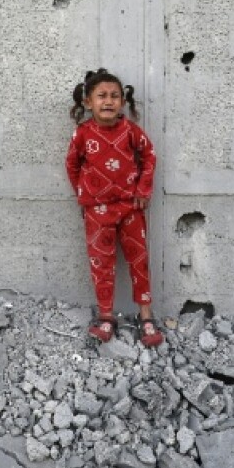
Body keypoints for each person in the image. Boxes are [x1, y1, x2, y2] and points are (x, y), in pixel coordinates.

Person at [65, 68, 164, 348]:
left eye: (114, 96)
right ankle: (106, 316)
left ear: (122, 102)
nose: (108, 101)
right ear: (88, 102)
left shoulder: (131, 131)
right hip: (97, 212)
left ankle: (146, 316)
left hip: (130, 209)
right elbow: (72, 165)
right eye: (101, 96)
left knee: (139, 261)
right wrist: (83, 195)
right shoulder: (82, 135)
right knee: (101, 264)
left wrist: (144, 190)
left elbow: (149, 156)